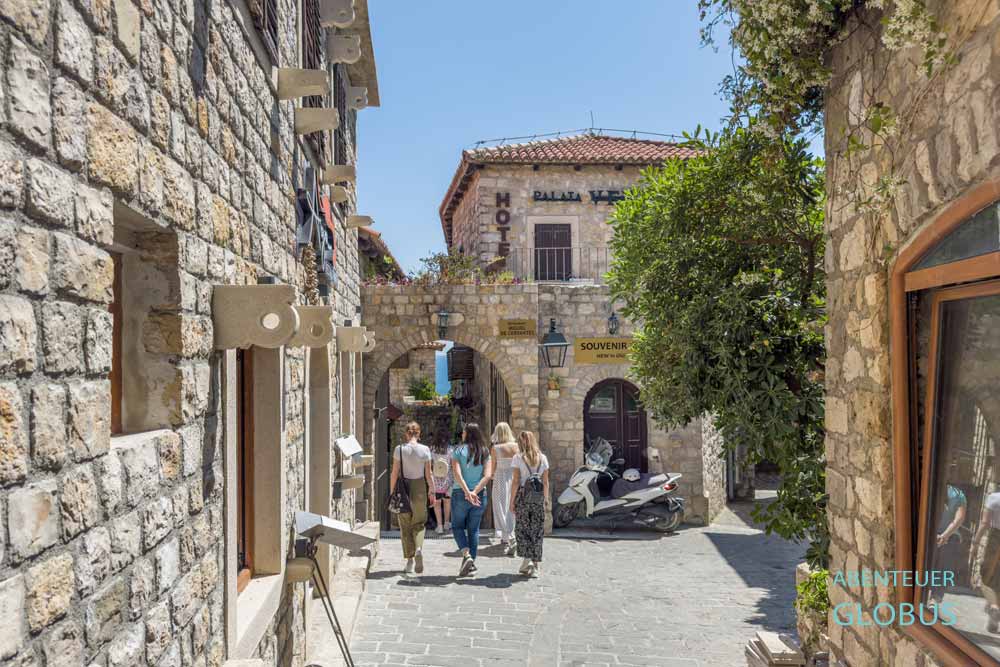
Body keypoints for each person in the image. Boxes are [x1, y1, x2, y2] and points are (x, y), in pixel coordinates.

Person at [390, 422, 434, 576]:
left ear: (407, 434)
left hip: (404, 489)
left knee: (405, 525)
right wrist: (432, 492)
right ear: (418, 433)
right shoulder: (425, 450)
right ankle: (419, 549)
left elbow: (394, 473)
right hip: (420, 487)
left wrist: (392, 492)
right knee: (420, 523)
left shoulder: (399, 449)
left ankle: (409, 561)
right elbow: (429, 475)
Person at [451, 423, 492, 577]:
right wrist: (474, 491)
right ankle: (470, 563)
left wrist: (467, 491)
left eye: (463, 432)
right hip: (480, 495)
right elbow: (487, 475)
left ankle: (466, 555)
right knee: (474, 529)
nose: (461, 434)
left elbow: (457, 473)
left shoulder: (458, 451)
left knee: (457, 527)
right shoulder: (485, 452)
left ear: (467, 434)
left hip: (460, 494)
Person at [510, 430, 550, 577]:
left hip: (523, 498)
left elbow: (515, 482)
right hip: (538, 499)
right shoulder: (543, 458)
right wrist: (545, 500)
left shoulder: (517, 458)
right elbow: (545, 481)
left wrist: (511, 502)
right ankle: (535, 565)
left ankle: (527, 559)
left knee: (522, 528)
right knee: (537, 530)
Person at [970, 489, 1000, 632]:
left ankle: (994, 607)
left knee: (986, 577)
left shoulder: (994, 498)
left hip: (996, 539)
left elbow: (985, 523)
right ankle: (993, 611)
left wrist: (975, 543)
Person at [490, 422, 520, 555]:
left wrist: (490, 476)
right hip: (514, 478)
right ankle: (509, 535)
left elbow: (492, 468)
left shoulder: (496, 448)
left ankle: (507, 536)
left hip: (500, 478)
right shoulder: (516, 447)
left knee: (499, 506)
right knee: (511, 506)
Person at [430, 419, 455, 535]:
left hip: (435, 481)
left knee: (437, 503)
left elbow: (429, 465)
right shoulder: (451, 450)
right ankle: (446, 523)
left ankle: (439, 526)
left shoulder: (432, 449)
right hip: (448, 480)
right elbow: (453, 466)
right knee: (447, 502)